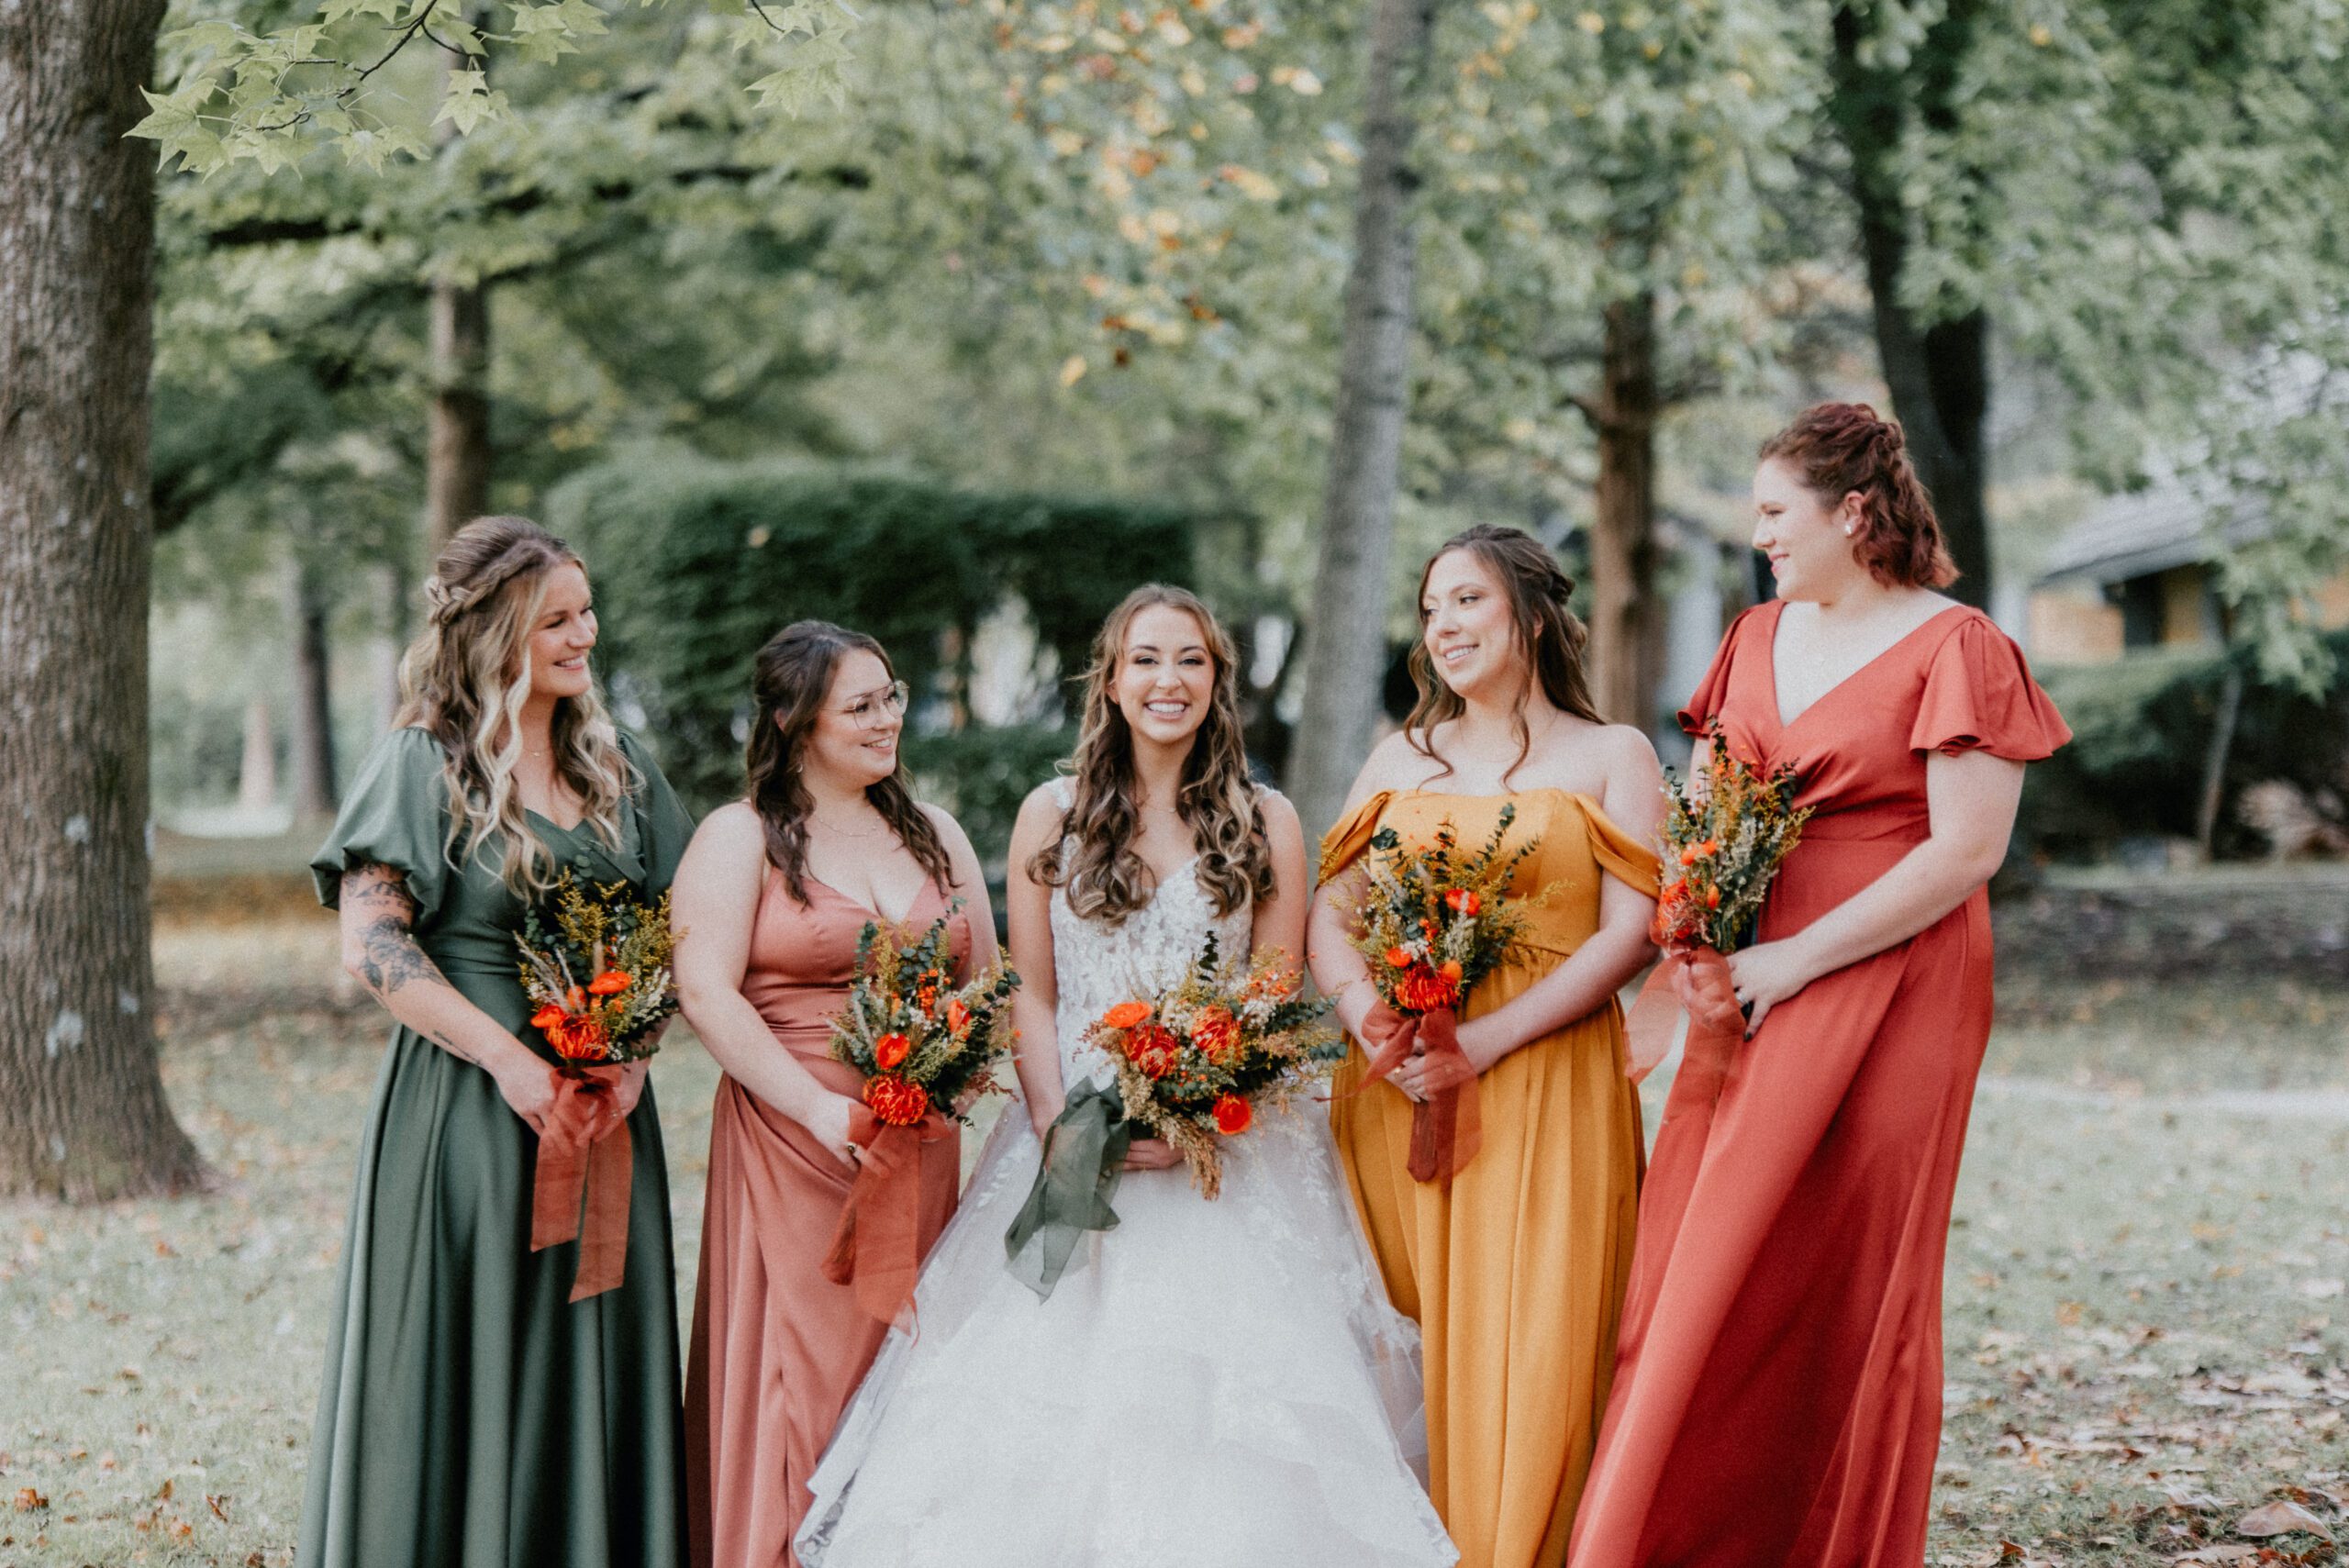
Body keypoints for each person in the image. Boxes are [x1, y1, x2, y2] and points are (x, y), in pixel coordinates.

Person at [797, 585, 1454, 1568]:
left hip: (1225, 1139)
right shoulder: (1049, 813)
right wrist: (1064, 1117)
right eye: (1146, 659)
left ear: (1217, 681)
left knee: (1230, 1403)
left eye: (1190, 660)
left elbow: (1272, 989)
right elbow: (1030, 992)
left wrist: (1201, 1098)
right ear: (1109, 678)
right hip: (1071, 1131)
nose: (1168, 681)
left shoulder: (1263, 819)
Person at [1571, 404, 2072, 1568]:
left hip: (1896, 978)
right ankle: (1666, 1532)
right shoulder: (1754, 633)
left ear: (1853, 512)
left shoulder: (1960, 645)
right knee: (1706, 1252)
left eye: (1774, 512)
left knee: (1850, 1265)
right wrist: (1691, 941)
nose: (1760, 536)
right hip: (1740, 979)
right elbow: (1706, 813)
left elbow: (1965, 851)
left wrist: (1792, 959)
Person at [300, 517, 696, 1568]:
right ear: (493, 631)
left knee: (588, 1354)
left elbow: (681, 935)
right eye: (556, 618)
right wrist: (512, 1060)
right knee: (464, 1354)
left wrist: (635, 1054)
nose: (586, 634)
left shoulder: (620, 768)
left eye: (587, 612)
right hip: (469, 1113)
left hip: (609, 1113)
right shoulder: (419, 761)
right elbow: (372, 945)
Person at [1309, 524, 1665, 1568]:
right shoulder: (1399, 757)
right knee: (1413, 1343)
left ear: (1532, 611)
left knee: (1537, 1342)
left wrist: (1487, 1035)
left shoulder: (1614, 754)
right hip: (1398, 1082)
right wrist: (1367, 1013)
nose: (1444, 625)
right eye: (1429, 608)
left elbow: (1629, 929)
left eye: (1466, 599)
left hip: (1546, 1077)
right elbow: (1331, 911)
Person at [673, 621, 996, 1568]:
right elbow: (705, 991)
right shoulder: (738, 836)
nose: (887, 718)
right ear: (792, 719)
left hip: (922, 1140)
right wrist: (817, 1108)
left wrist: (957, 1068)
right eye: (860, 705)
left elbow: (987, 975)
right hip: (796, 1139)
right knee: (803, 1380)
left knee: (909, 1374)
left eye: (891, 696)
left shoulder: (934, 831)